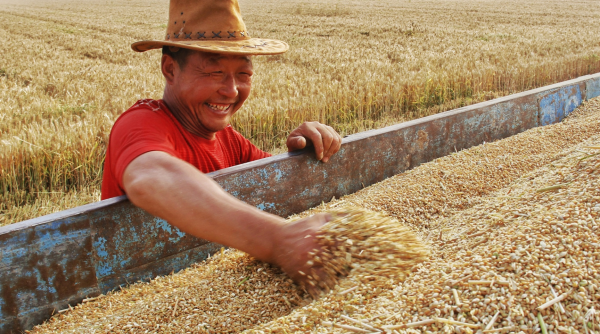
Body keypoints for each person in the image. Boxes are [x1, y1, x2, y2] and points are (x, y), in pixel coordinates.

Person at [100, 0, 341, 290]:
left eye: (244, 74)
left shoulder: (229, 140)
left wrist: (297, 157)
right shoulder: (141, 122)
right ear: (170, 69)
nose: (231, 90)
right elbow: (150, 176)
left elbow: (270, 191)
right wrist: (277, 241)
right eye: (214, 73)